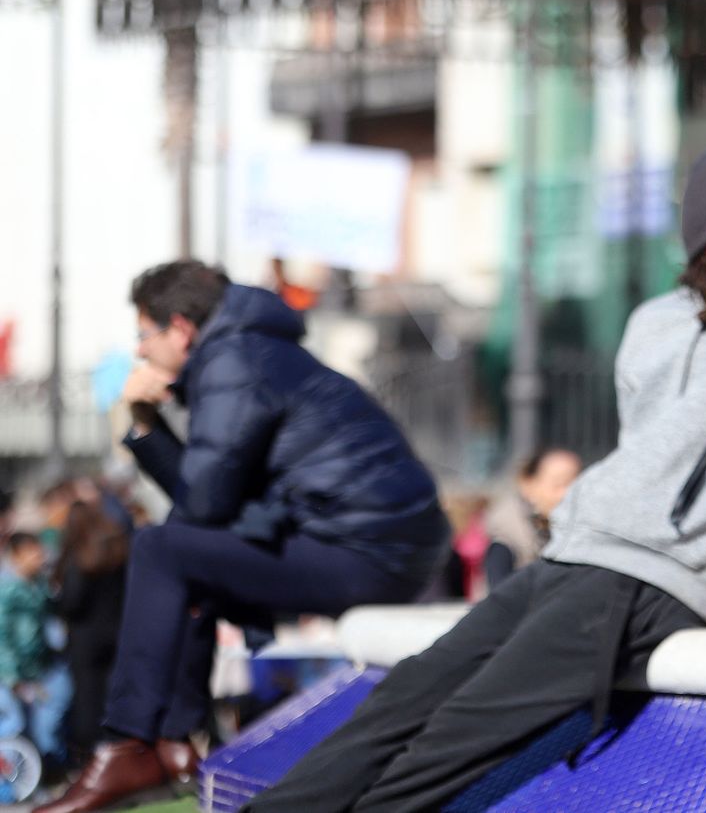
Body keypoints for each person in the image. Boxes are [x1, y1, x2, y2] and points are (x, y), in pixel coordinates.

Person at [245, 146, 706, 812]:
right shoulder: (655, 322)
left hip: (645, 580)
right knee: (404, 695)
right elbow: (651, 456)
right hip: (572, 554)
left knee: (458, 736)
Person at [40, 262, 451, 813]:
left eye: (144, 336)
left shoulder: (233, 361)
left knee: (161, 548)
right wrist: (147, 429)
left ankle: (127, 745)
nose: (140, 353)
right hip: (379, 547)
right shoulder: (252, 351)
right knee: (185, 559)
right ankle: (170, 744)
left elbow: (205, 504)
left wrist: (143, 422)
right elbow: (210, 506)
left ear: (180, 328)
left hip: (368, 553)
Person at [51, 500, 129, 764]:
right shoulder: (118, 551)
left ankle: (91, 757)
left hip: (85, 639)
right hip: (116, 632)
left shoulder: (80, 558)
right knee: (113, 696)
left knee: (87, 699)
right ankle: (117, 750)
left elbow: (72, 602)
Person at [0, 532, 73, 773]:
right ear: (17, 555)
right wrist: (12, 678)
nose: (39, 557)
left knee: (47, 719)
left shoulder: (39, 584)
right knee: (14, 726)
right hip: (11, 673)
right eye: (33, 552)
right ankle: (15, 781)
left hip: (41, 666)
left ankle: (50, 769)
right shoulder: (8, 589)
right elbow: (3, 637)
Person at [482, 446, 582, 590]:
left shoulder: (586, 530)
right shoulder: (506, 541)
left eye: (577, 484)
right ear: (528, 484)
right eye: (559, 484)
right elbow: (498, 596)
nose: (568, 493)